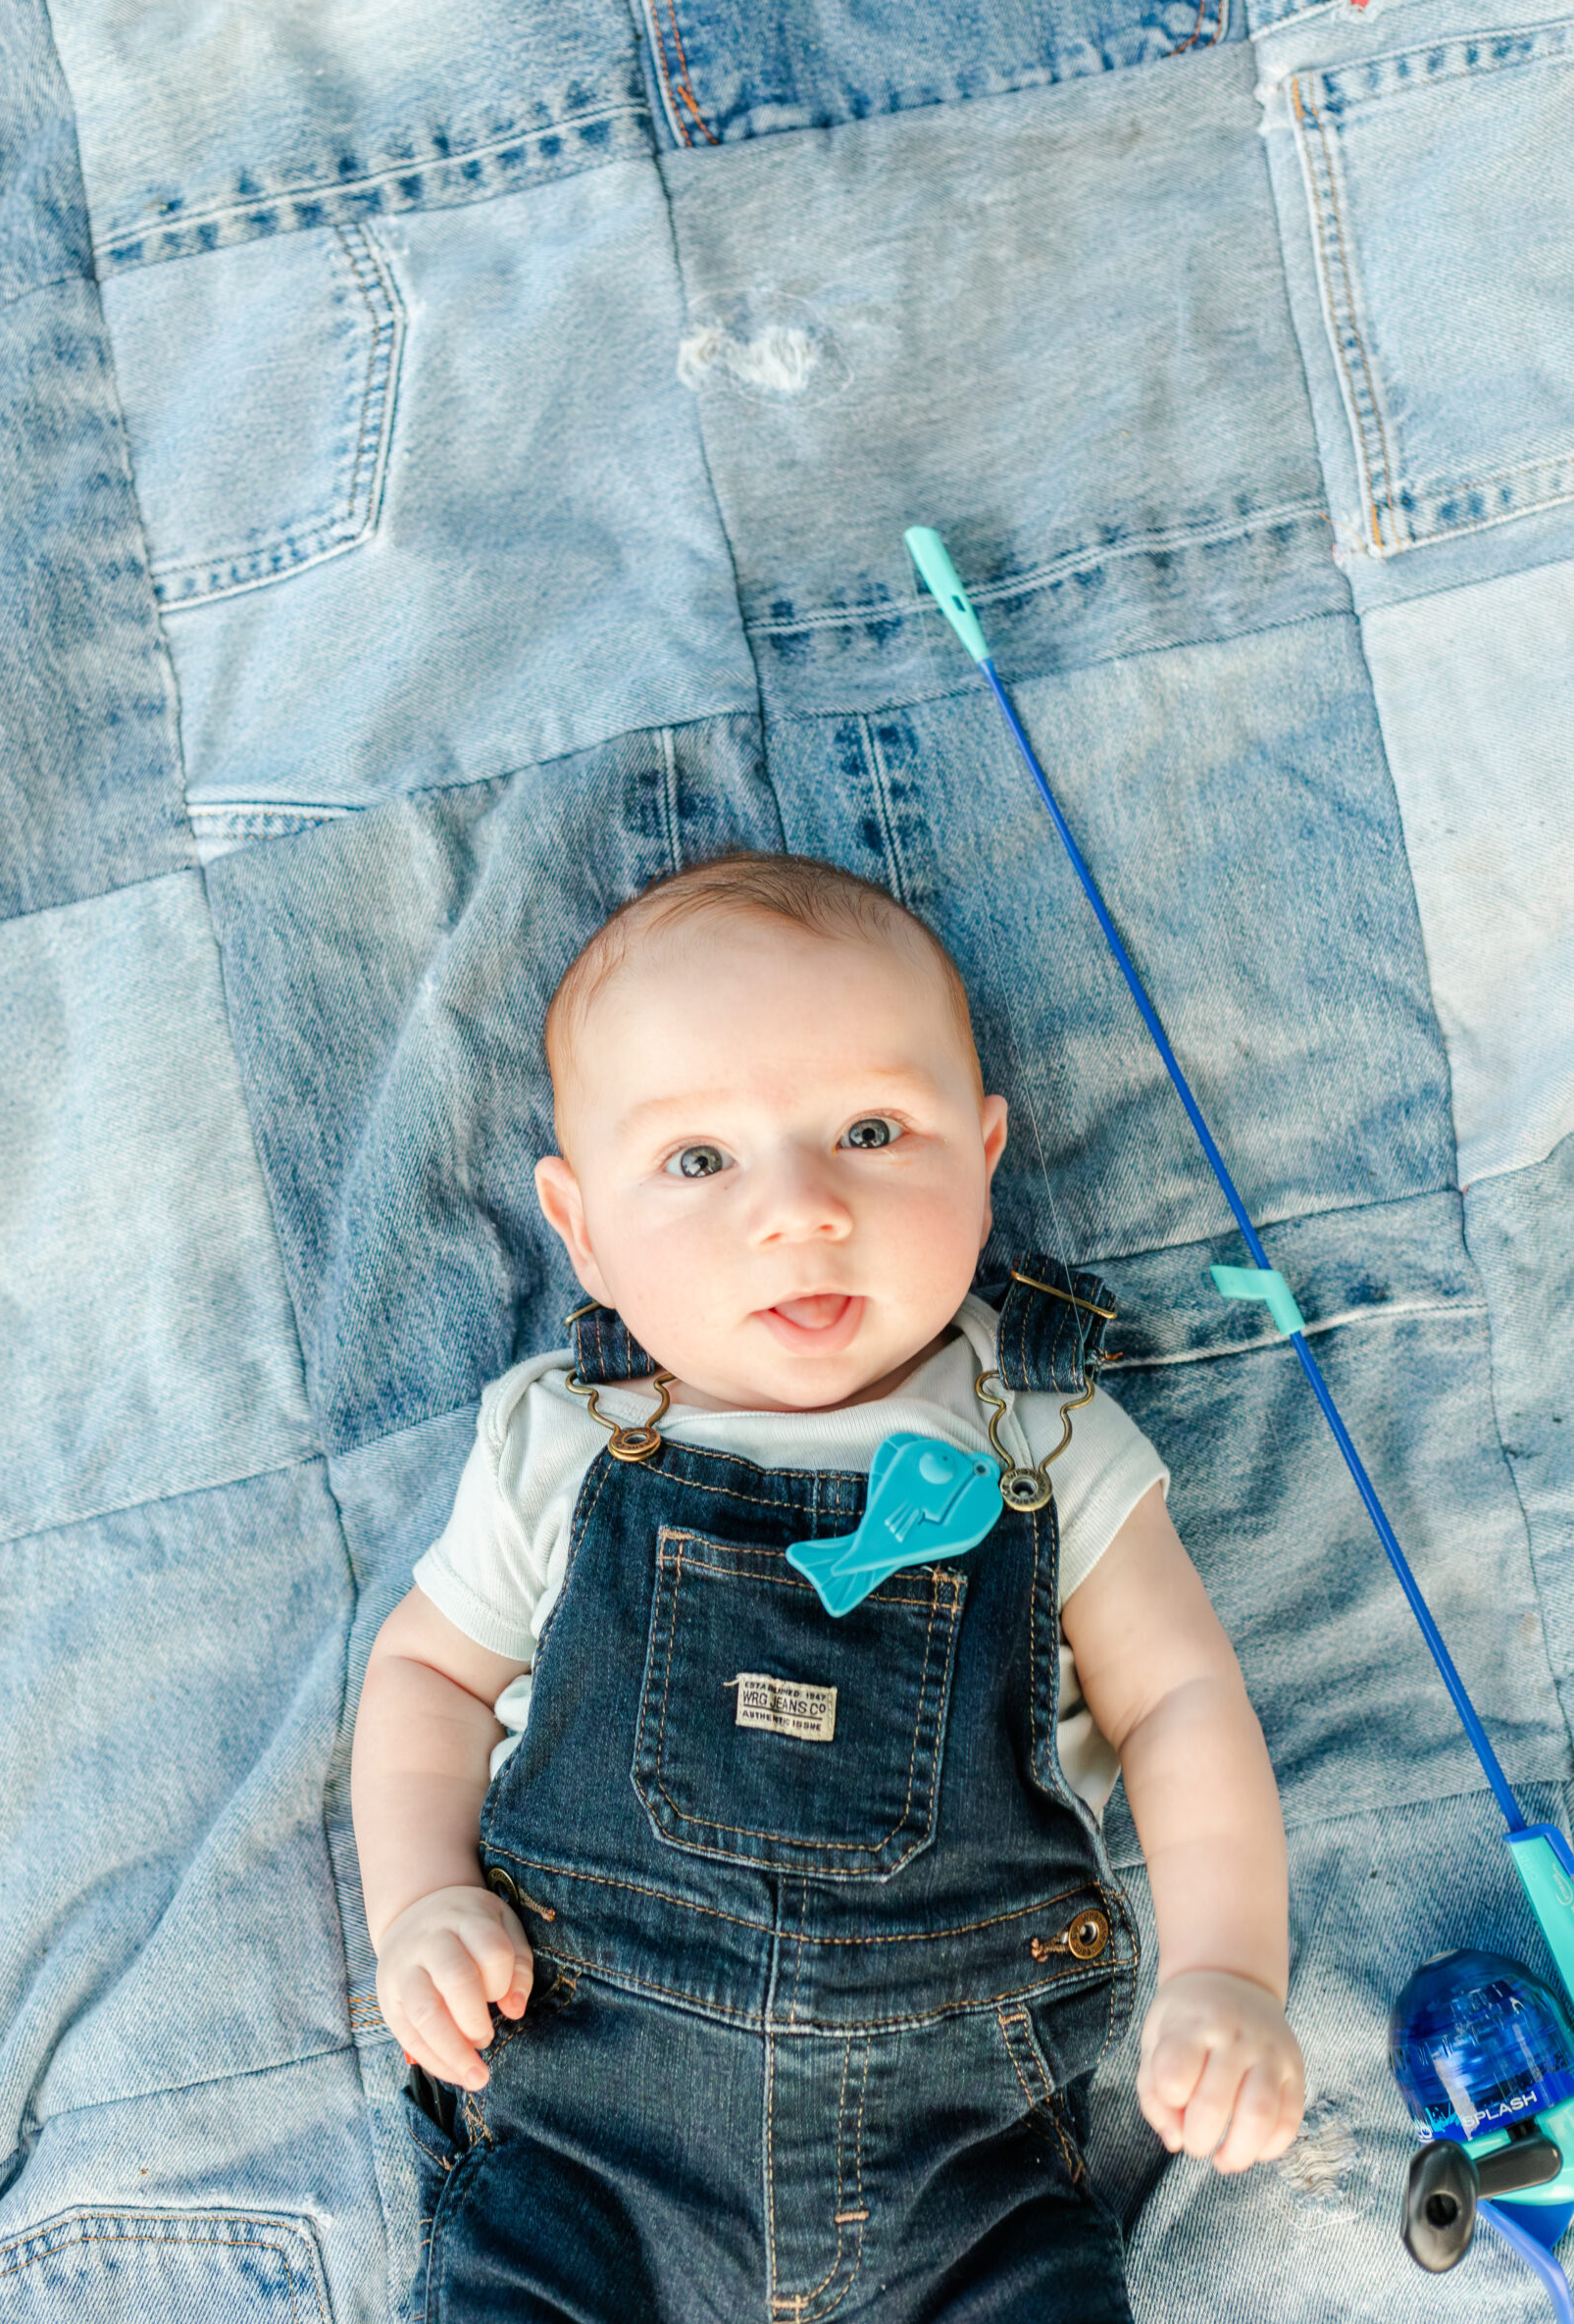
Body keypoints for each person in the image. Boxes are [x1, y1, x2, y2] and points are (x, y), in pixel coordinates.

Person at [351, 852, 1305, 2320]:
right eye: (698, 1160)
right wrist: (420, 1897)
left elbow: (1182, 1697)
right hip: (592, 2155)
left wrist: (1231, 1969)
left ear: (985, 1154)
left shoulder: (1048, 1440)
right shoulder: (565, 1445)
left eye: (871, 1129)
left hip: (959, 2177)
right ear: (581, 1225)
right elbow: (426, 1675)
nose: (800, 1208)